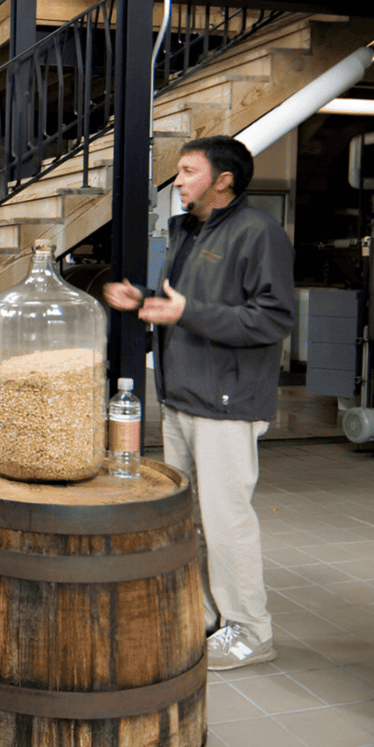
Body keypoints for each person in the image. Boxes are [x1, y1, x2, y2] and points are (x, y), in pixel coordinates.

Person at [103, 136, 296, 671]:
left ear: (223, 180)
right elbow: (181, 304)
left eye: (189, 171)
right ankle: (211, 615)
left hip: (227, 401)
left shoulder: (260, 233)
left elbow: (274, 319)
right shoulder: (183, 229)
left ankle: (252, 632)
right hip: (182, 397)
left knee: (226, 518)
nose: (180, 180)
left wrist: (184, 314)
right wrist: (142, 299)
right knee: (183, 515)